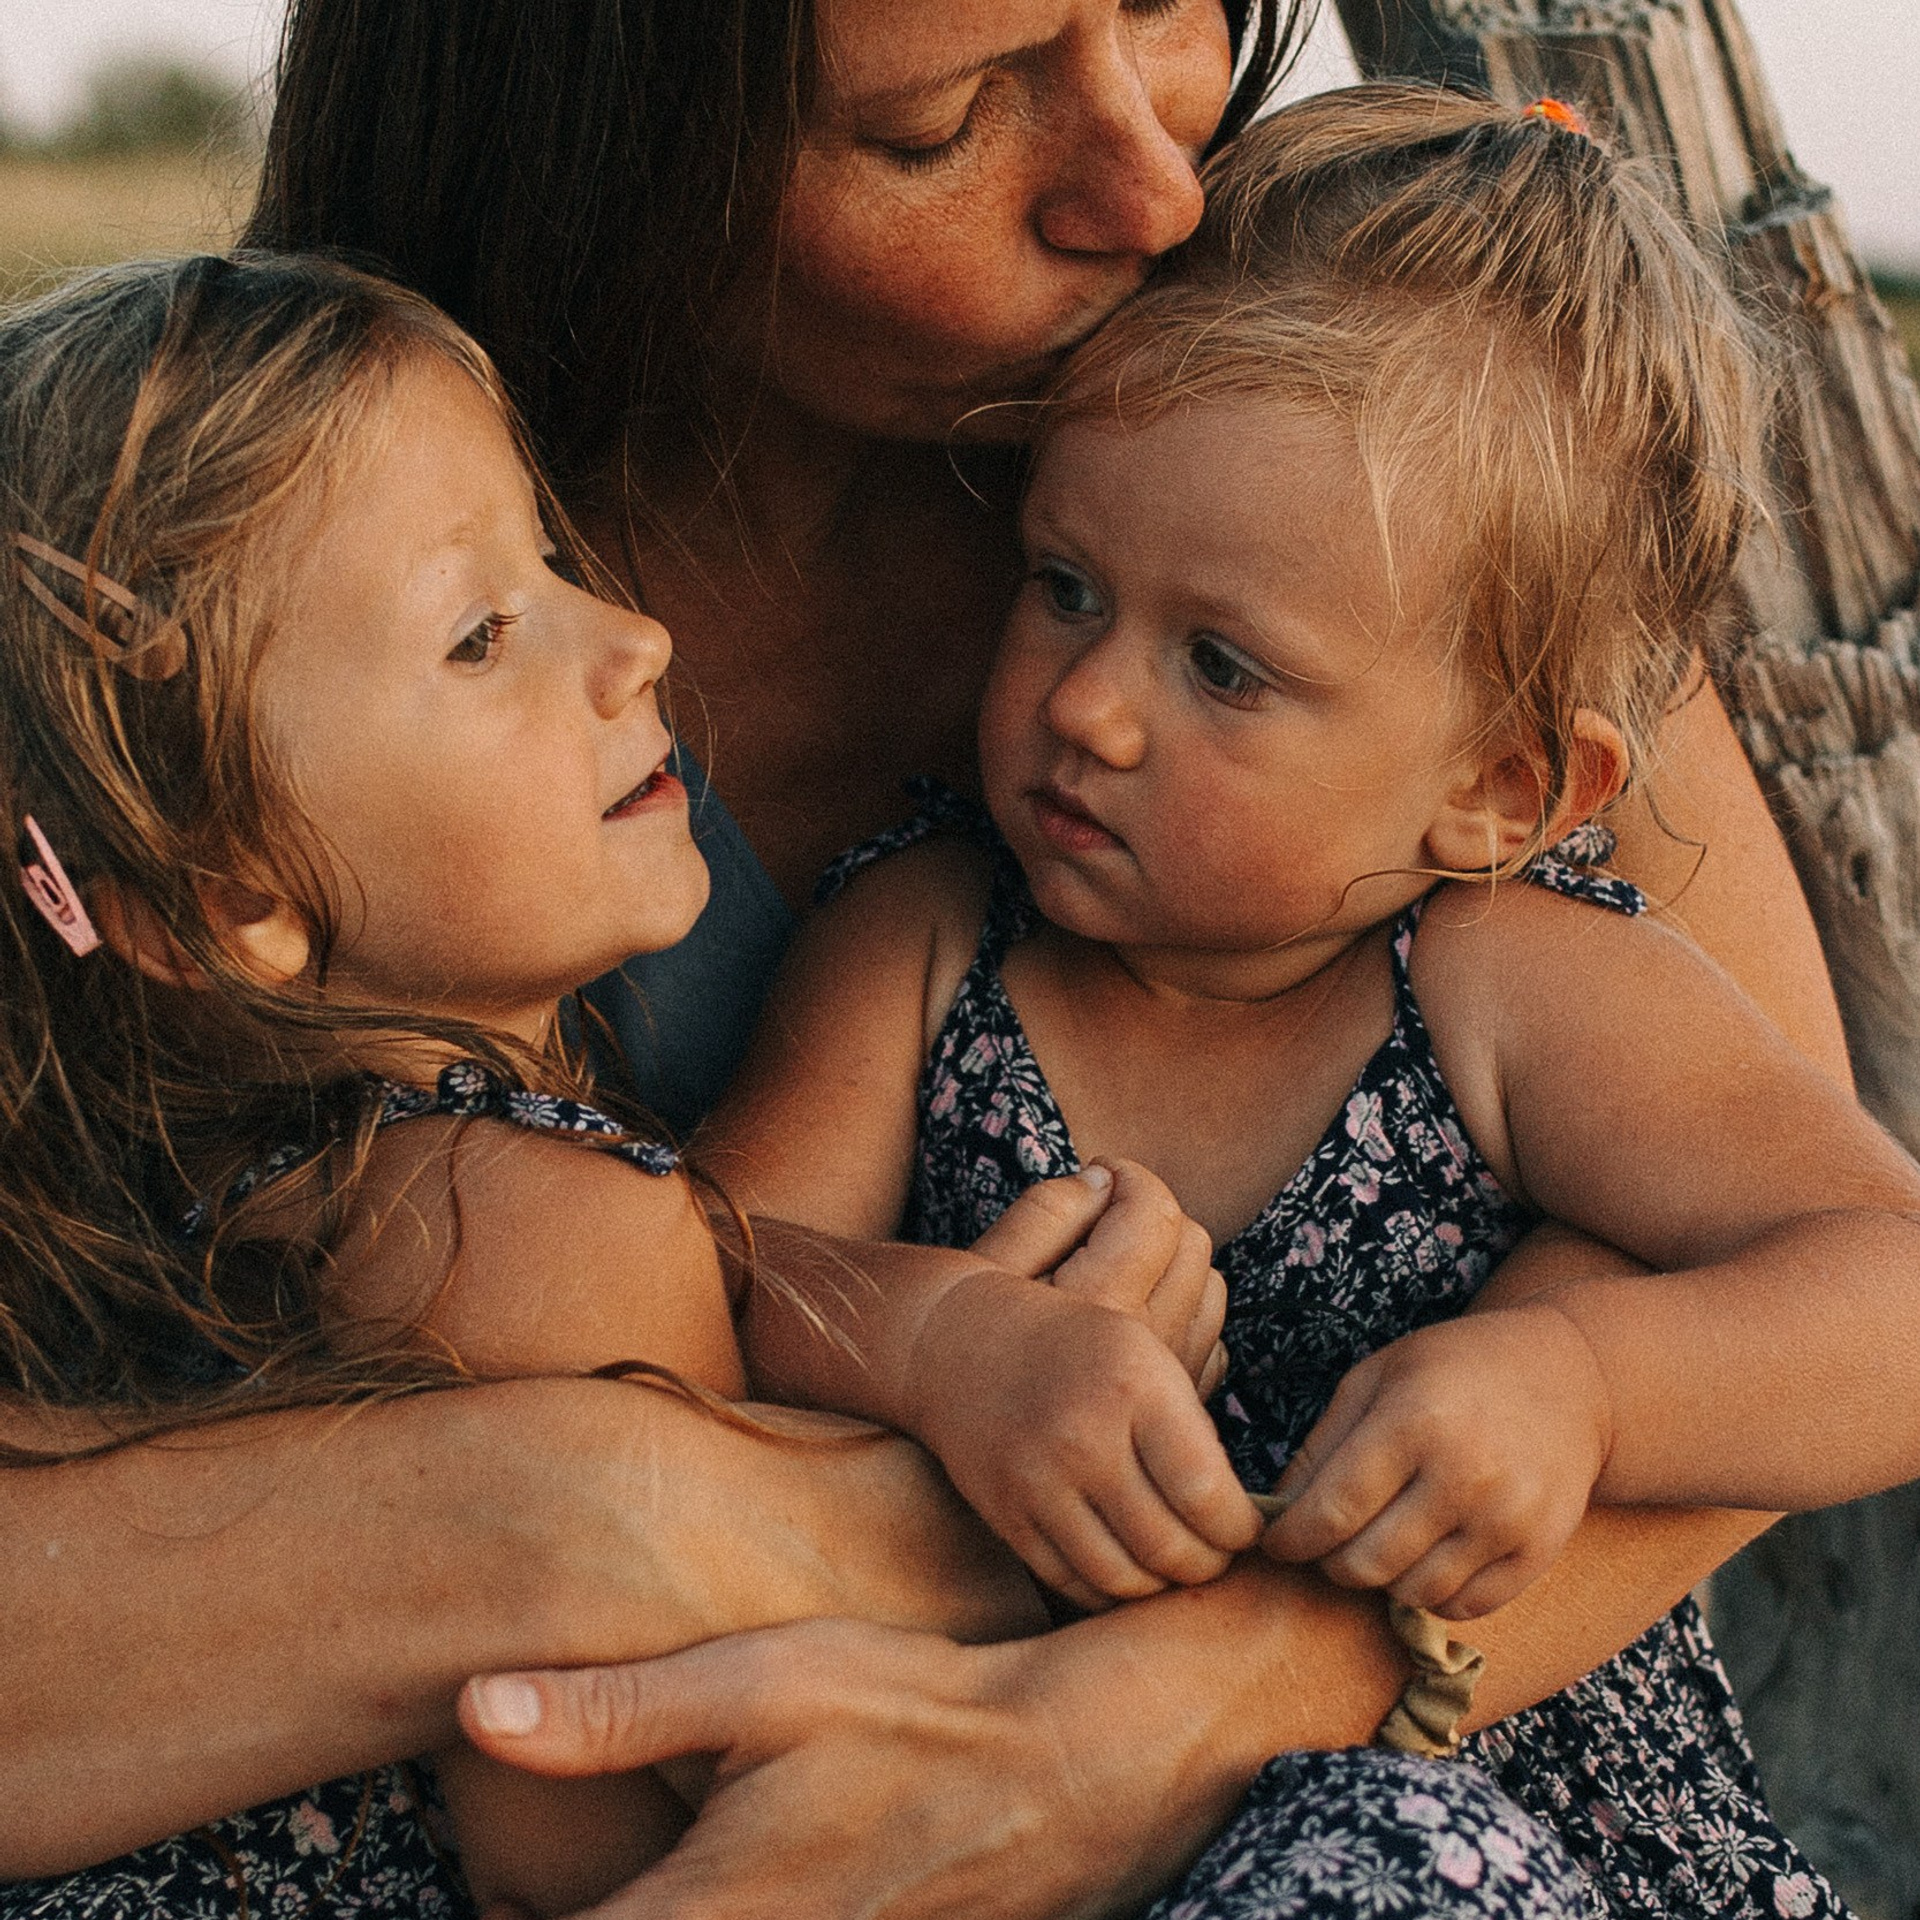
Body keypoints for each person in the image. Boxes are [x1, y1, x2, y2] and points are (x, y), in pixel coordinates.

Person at [0, 2, 1851, 1915]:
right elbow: (728, 1293)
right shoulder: (260, 527)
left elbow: (1803, 1267)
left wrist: (1141, 1719)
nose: (1152, 189)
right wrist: (649, 1484)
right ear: (601, 154)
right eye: (942, 121)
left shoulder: (1365, 441)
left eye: (1158, 5)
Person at [0, 251, 1222, 1915]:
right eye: (482, 636)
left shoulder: (247, 1197)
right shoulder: (514, 1208)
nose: (634, 639)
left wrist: (929, 1336)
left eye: (552, 561)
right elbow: (615, 1833)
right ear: (235, 900)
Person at [701, 85, 1920, 1633]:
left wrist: (1584, 1386)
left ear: (1495, 789)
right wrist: (940, 1347)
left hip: (1452, 1791)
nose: (1085, 705)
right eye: (1066, 586)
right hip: (996, 1751)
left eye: (1220, 667)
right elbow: (714, 1271)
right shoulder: (932, 936)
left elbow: (1892, 1292)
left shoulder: (1509, 987)